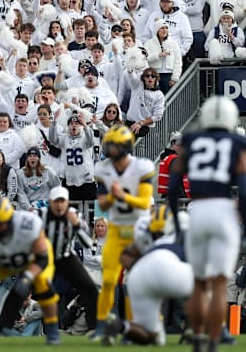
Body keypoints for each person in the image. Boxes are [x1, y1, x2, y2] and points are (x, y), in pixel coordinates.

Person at [168, 96, 246, 352]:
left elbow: (172, 185)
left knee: (198, 283)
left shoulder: (191, 139)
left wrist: (175, 220)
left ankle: (198, 338)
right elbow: (245, 190)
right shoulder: (239, 142)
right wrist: (245, 226)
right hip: (224, 209)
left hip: (198, 209)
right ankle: (213, 342)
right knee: (218, 284)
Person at [0, 196, 61, 345]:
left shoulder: (28, 224)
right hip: (2, 262)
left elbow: (42, 258)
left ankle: (52, 328)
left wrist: (27, 277)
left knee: (43, 284)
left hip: (31, 260)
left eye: (0, 223)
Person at [92, 124, 154, 339]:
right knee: (108, 280)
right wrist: (113, 197)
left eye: (114, 144)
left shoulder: (141, 167)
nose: (109, 148)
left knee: (135, 283)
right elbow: (103, 204)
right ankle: (101, 326)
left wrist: (122, 196)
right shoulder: (103, 169)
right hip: (117, 229)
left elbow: (145, 202)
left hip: (138, 230)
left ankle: (135, 327)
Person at [103, 205, 192, 346]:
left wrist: (139, 268)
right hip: (166, 268)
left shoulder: (144, 231)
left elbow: (126, 253)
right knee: (204, 286)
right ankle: (193, 330)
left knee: (154, 337)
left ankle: (119, 326)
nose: (159, 237)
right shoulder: (184, 233)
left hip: (142, 274)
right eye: (156, 233)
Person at [40, 186, 97, 332]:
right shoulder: (41, 215)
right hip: (46, 258)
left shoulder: (75, 215)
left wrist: (76, 225)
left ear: (67, 202)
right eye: (56, 202)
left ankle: (93, 328)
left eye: (62, 201)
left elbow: (87, 244)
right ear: (50, 202)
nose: (59, 205)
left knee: (90, 289)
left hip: (67, 257)